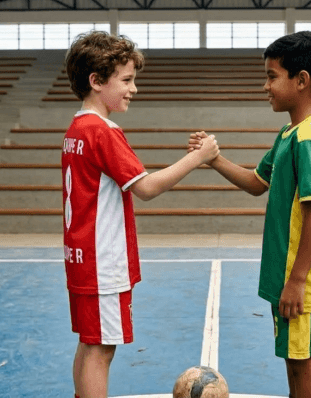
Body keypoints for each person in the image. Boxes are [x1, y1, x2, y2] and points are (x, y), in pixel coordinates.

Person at [62, 31, 219, 398]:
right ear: (96, 81)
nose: (134, 89)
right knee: (101, 349)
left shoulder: (76, 128)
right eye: (127, 80)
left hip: (83, 257)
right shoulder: (103, 132)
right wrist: (200, 156)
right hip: (102, 260)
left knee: (89, 343)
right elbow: (146, 187)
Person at [189, 31, 311, 398]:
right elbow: (257, 183)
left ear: (301, 80)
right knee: (294, 357)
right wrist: (214, 159)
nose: (265, 85)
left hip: (304, 274)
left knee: (303, 361)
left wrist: (297, 279)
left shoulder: (307, 138)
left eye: (272, 76)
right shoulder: (290, 133)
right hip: (292, 272)